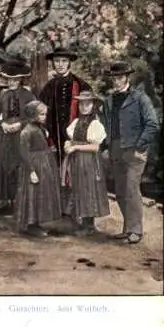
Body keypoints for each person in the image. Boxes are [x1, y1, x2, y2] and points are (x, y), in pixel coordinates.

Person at [100, 61, 159, 244]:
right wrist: (105, 145)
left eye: (119, 78)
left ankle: (136, 230)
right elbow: (104, 125)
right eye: (113, 78)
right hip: (115, 147)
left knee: (131, 188)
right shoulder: (109, 100)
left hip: (135, 149)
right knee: (120, 191)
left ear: (127, 77)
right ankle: (128, 228)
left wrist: (140, 145)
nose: (116, 82)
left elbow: (152, 124)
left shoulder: (140, 98)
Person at [62, 91, 110, 235]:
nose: (83, 107)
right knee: (77, 188)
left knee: (88, 189)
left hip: (89, 161)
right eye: (81, 104)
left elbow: (95, 147)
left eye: (87, 104)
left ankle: (89, 226)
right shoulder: (76, 122)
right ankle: (81, 222)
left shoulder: (95, 123)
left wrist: (76, 147)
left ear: (93, 105)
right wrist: (67, 143)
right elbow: (71, 138)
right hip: (76, 160)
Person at [0, 60, 36, 204]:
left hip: (22, 133)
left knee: (21, 162)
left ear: (20, 79)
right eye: (9, 79)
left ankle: (22, 198)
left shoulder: (28, 96)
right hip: (5, 133)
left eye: (15, 79)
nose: (12, 82)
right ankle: (7, 198)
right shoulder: (3, 95)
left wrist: (20, 125)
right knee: (5, 162)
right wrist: (2, 124)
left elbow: (34, 116)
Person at [15, 100, 62, 237]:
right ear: (33, 114)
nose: (44, 117)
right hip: (34, 165)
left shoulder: (40, 127)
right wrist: (31, 171)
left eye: (45, 114)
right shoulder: (27, 131)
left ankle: (37, 222)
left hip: (43, 164)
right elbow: (23, 153)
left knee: (41, 194)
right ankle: (31, 224)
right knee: (32, 195)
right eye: (41, 114)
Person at [39, 48, 91, 166]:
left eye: (64, 61)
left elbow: (90, 112)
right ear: (53, 63)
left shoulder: (80, 84)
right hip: (54, 135)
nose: (60, 64)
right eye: (57, 61)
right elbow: (41, 110)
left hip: (77, 135)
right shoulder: (49, 86)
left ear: (69, 63)